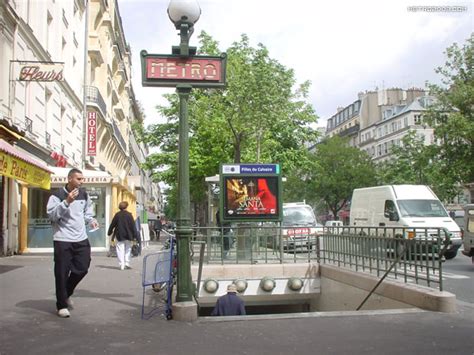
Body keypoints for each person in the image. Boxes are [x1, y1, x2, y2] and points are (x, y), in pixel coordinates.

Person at [47, 168, 98, 318]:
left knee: (82, 268)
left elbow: (87, 212)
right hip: (62, 239)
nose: (82, 182)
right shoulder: (57, 196)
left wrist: (92, 220)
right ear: (70, 179)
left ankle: (66, 293)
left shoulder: (84, 194)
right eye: (79, 179)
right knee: (61, 273)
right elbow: (52, 216)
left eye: (82, 179)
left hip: (81, 238)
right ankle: (61, 305)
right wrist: (66, 202)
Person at [107, 201, 139, 270]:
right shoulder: (129, 215)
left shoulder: (117, 215)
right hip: (129, 235)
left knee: (120, 249)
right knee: (128, 249)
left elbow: (112, 224)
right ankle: (127, 263)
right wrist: (135, 236)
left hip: (119, 235)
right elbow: (133, 226)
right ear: (126, 207)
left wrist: (109, 232)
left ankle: (121, 264)